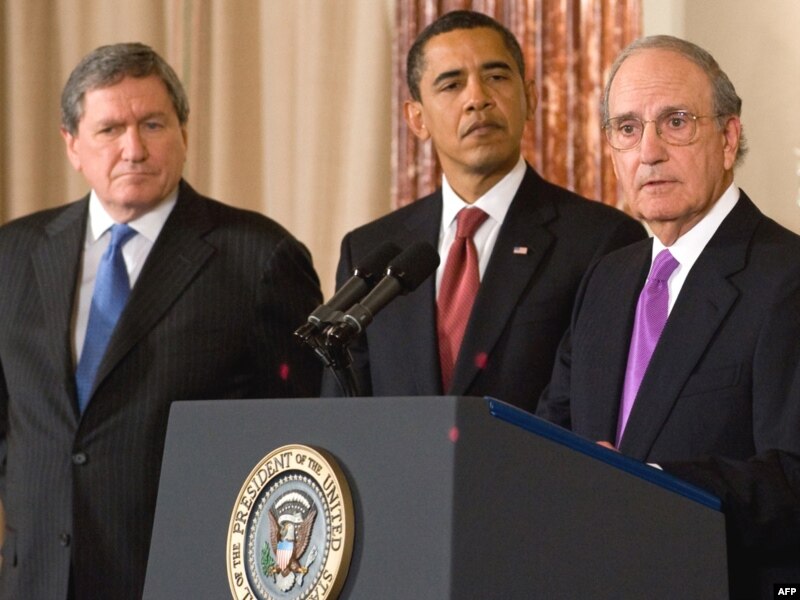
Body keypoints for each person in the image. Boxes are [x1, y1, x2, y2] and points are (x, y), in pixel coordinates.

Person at [0, 43, 322, 600]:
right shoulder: (14, 253)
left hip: (185, 576)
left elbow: (298, 439)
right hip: (37, 578)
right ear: (72, 145)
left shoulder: (259, 258)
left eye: (152, 124)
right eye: (109, 130)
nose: (134, 149)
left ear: (183, 134)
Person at [536, 35, 800, 598]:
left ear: (728, 138)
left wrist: (650, 486)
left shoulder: (787, 277)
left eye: (676, 122)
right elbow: (550, 436)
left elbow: (793, 475)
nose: (648, 151)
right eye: (627, 128)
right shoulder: (605, 279)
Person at [320, 10, 646, 409]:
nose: (477, 99)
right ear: (417, 119)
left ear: (530, 98)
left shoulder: (602, 241)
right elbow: (342, 412)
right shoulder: (371, 250)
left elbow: (597, 403)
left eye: (496, 77)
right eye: (452, 84)